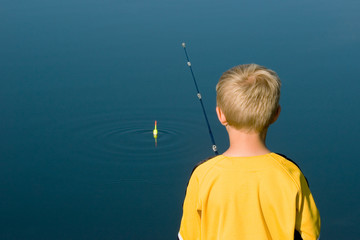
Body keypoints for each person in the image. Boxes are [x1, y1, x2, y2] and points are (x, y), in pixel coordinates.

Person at [178, 64, 321, 240]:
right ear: (276, 114)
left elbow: (187, 236)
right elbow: (310, 234)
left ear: (220, 115)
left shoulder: (202, 175)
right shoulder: (290, 174)